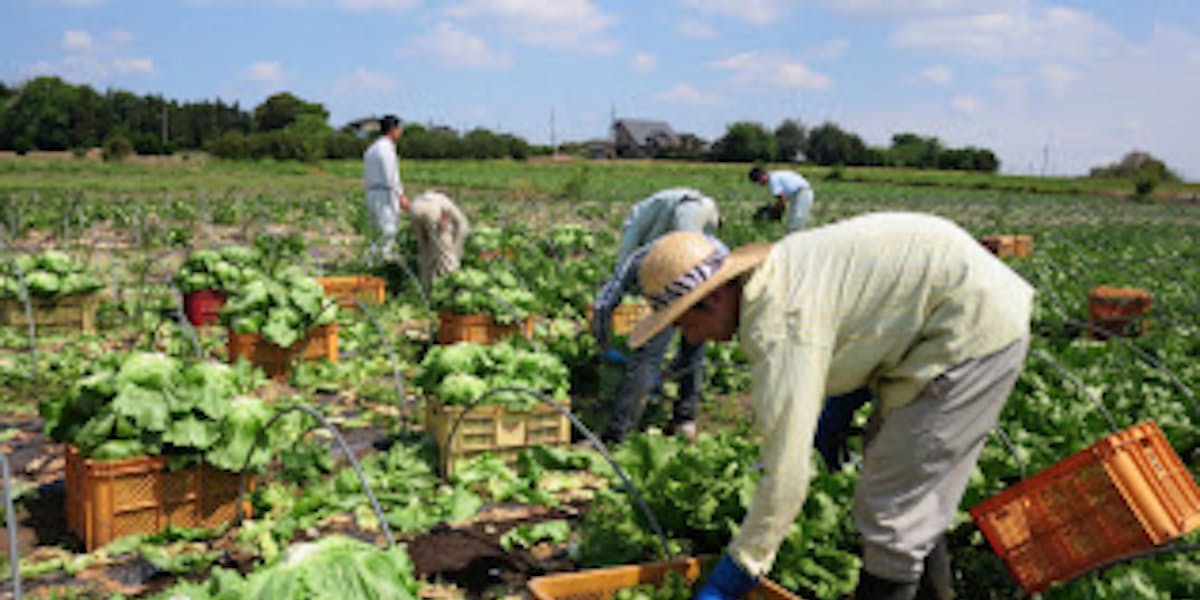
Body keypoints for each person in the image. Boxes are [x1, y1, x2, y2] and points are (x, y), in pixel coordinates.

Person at [627, 212, 1033, 600]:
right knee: (905, 489)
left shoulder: (777, 324)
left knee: (892, 513)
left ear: (713, 299)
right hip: (944, 314)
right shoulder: (777, 277)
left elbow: (787, 477)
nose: (690, 338)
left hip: (970, 326)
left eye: (684, 323)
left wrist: (738, 571)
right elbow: (856, 312)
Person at [592, 187, 720, 444]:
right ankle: (685, 420)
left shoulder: (638, 257)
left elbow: (606, 300)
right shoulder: (711, 248)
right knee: (694, 344)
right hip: (710, 276)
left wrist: (602, 339)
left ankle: (618, 434)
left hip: (694, 270)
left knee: (647, 356)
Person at [362, 115, 408, 266]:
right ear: (393, 129)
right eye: (400, 129)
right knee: (388, 231)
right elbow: (391, 175)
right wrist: (401, 195)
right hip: (384, 192)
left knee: (376, 232)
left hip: (371, 192)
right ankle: (382, 265)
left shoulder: (372, 148)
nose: (400, 133)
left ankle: (372, 263)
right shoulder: (386, 149)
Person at [408, 190, 470, 290]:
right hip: (432, 210)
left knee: (424, 251)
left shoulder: (442, 199)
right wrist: (455, 253)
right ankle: (448, 290)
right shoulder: (461, 219)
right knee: (446, 257)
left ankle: (425, 288)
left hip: (415, 207)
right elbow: (462, 229)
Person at [748, 166, 814, 232]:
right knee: (795, 222)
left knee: (796, 223)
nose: (760, 184)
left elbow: (782, 199)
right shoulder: (775, 175)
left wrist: (774, 211)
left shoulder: (773, 179)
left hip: (802, 193)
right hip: (800, 193)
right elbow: (783, 200)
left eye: (758, 181)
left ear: (762, 175)